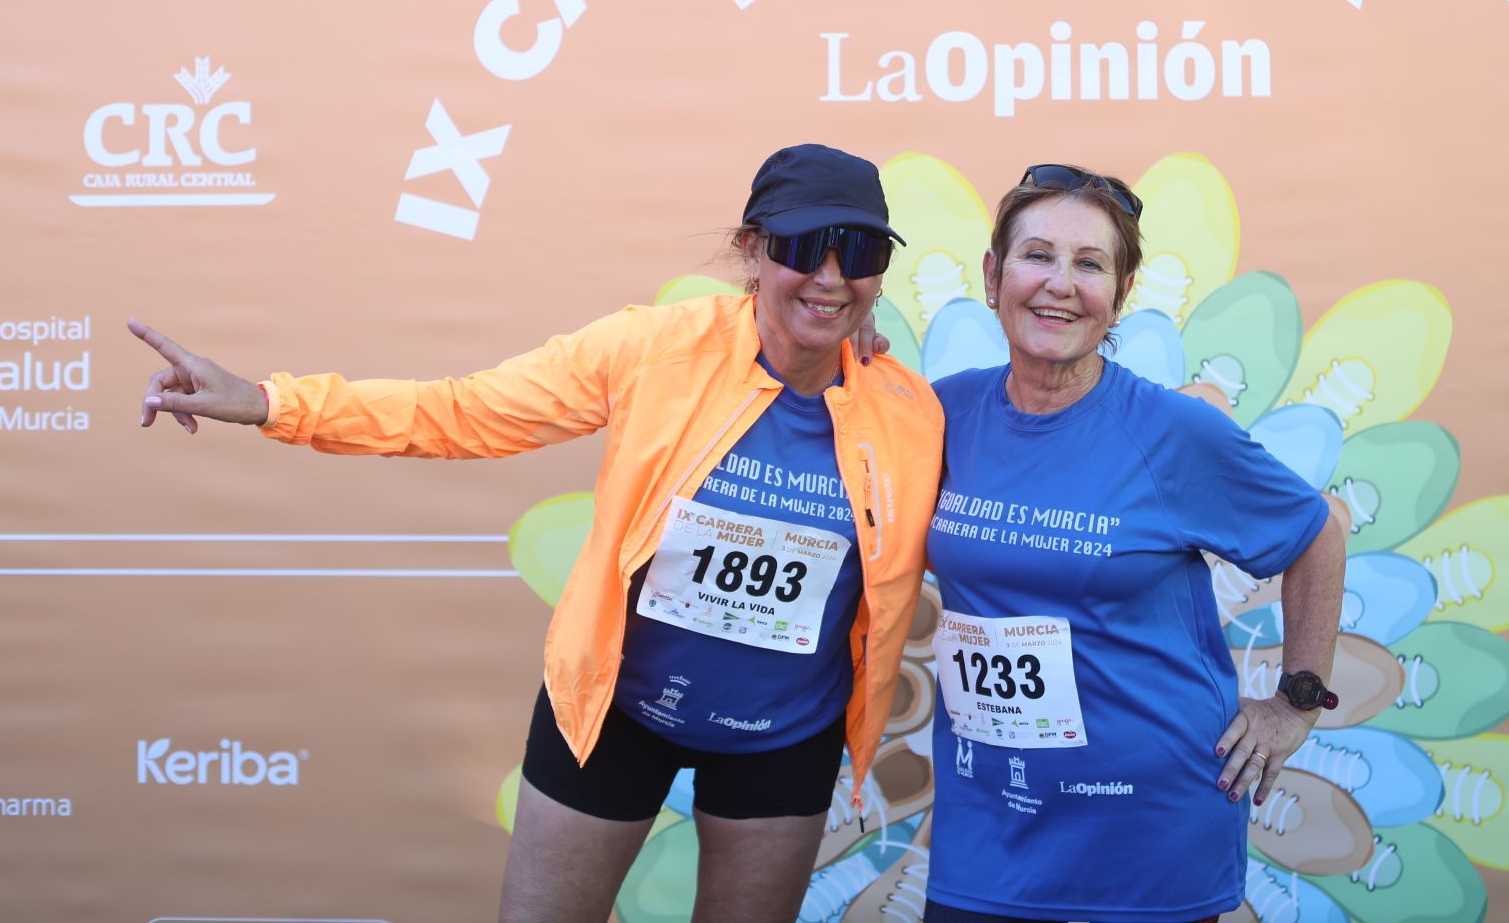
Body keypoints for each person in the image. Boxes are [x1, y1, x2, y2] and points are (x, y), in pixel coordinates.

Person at [130, 144, 945, 923]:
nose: (833, 274)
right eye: (806, 244)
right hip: (612, 710)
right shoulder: (653, 349)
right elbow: (461, 411)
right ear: (753, 249)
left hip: (783, 739)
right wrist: (274, 402)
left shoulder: (911, 412)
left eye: (861, 248)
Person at [920, 163, 1346, 923]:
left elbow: (1315, 534)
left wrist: (1296, 701)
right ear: (993, 274)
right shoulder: (939, 415)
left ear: (1119, 294)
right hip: (987, 827)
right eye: (1037, 255)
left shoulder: (1172, 432)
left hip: (1147, 836)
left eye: (1090, 265)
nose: (1059, 283)